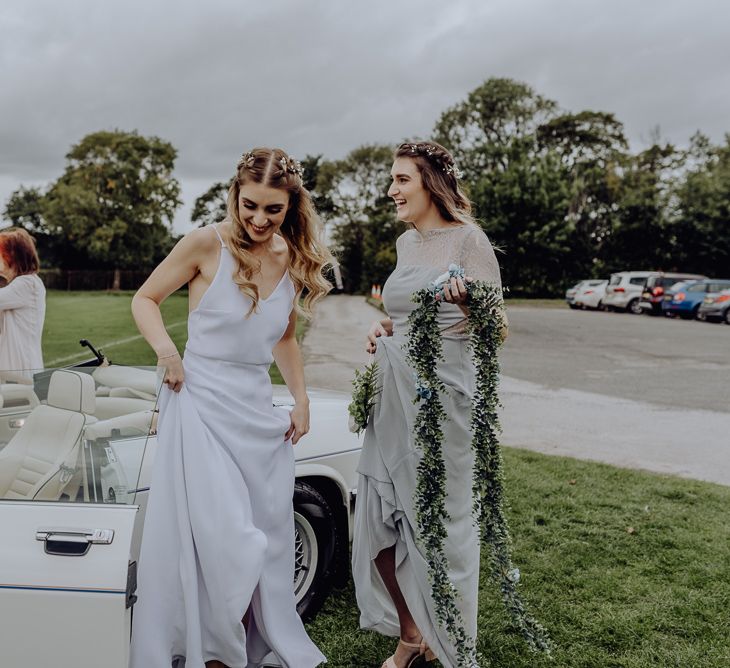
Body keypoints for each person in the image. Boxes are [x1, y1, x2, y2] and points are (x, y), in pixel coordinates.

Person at [129, 148, 330, 668]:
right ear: (235, 196)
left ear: (292, 207)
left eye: (273, 210)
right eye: (250, 206)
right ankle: (207, 650)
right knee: (225, 543)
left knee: (261, 541)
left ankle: (230, 650)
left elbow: (284, 340)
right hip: (198, 406)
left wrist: (301, 400)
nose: (259, 220)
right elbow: (144, 299)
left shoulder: (290, 257)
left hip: (255, 414)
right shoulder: (204, 243)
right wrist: (168, 353)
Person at [352, 141, 507, 668]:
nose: (391, 190)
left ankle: (454, 647)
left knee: (445, 522)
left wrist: (470, 303)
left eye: (401, 180)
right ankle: (413, 632)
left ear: (430, 183)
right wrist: (383, 326)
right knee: (378, 516)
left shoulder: (469, 240)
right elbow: (406, 313)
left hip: (446, 399)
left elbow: (498, 329)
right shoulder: (405, 244)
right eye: (392, 180)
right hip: (393, 392)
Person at [0, 227, 46, 383]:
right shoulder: (17, 285)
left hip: (20, 375)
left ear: (11, 256)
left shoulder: (27, 284)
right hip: (12, 374)